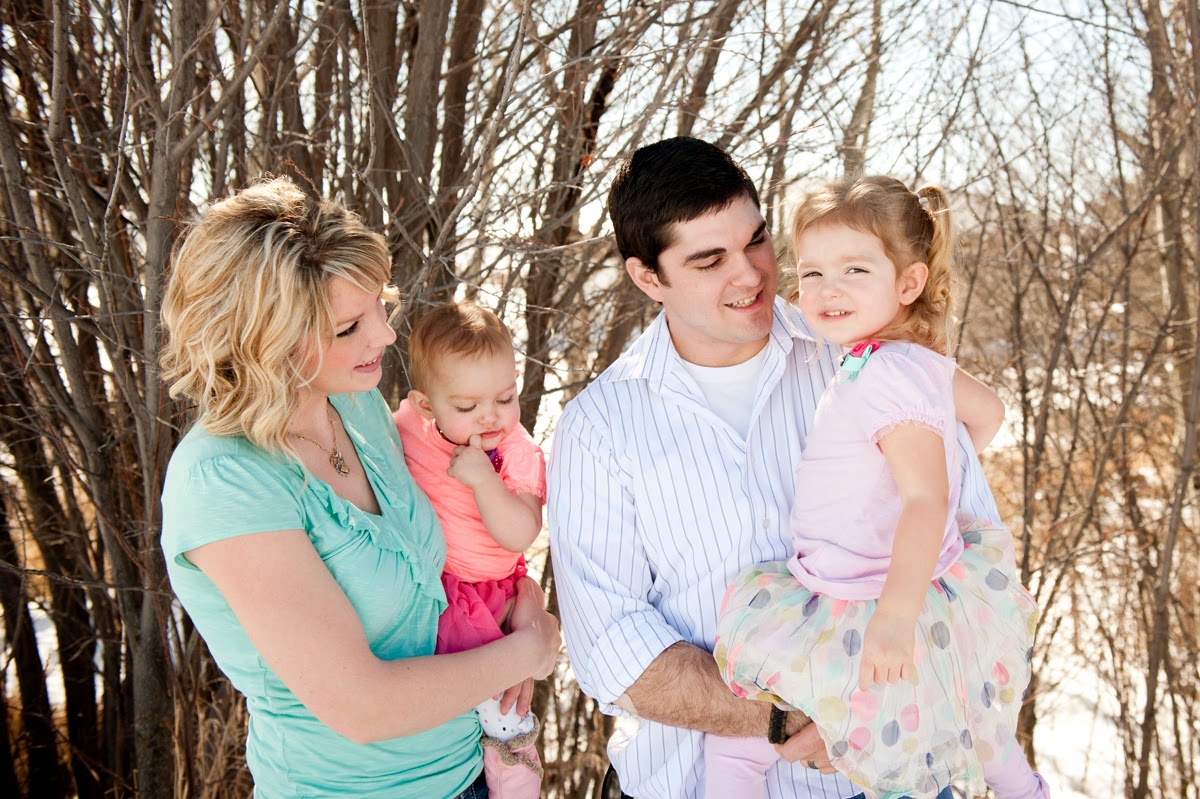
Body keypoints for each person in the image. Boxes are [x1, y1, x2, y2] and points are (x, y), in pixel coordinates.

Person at [547, 137, 1001, 799]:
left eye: (756, 240)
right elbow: (612, 648)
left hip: (891, 775)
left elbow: (974, 545)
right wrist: (786, 720)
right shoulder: (600, 427)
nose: (751, 275)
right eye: (710, 260)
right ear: (647, 277)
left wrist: (885, 706)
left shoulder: (867, 353)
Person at [159, 178, 560, 799]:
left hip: (469, 775)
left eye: (379, 306)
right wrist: (528, 652)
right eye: (349, 327)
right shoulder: (226, 480)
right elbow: (362, 707)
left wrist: (523, 599)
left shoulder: (358, 407)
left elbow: (452, 559)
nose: (385, 336)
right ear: (266, 341)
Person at [712, 176, 1049, 799]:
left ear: (909, 283)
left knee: (749, 750)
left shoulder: (885, 374)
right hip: (904, 587)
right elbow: (990, 413)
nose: (826, 289)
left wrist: (894, 616)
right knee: (967, 718)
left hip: (869, 601)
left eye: (854, 270)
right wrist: (923, 466)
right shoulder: (912, 361)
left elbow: (926, 499)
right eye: (812, 272)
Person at [394, 302, 547, 797]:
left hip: (483, 594)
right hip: (429, 587)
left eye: (505, 398)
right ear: (425, 406)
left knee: (500, 707)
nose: (490, 416)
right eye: (466, 407)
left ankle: (515, 779)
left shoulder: (515, 452)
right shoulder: (405, 428)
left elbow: (520, 533)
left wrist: (485, 482)